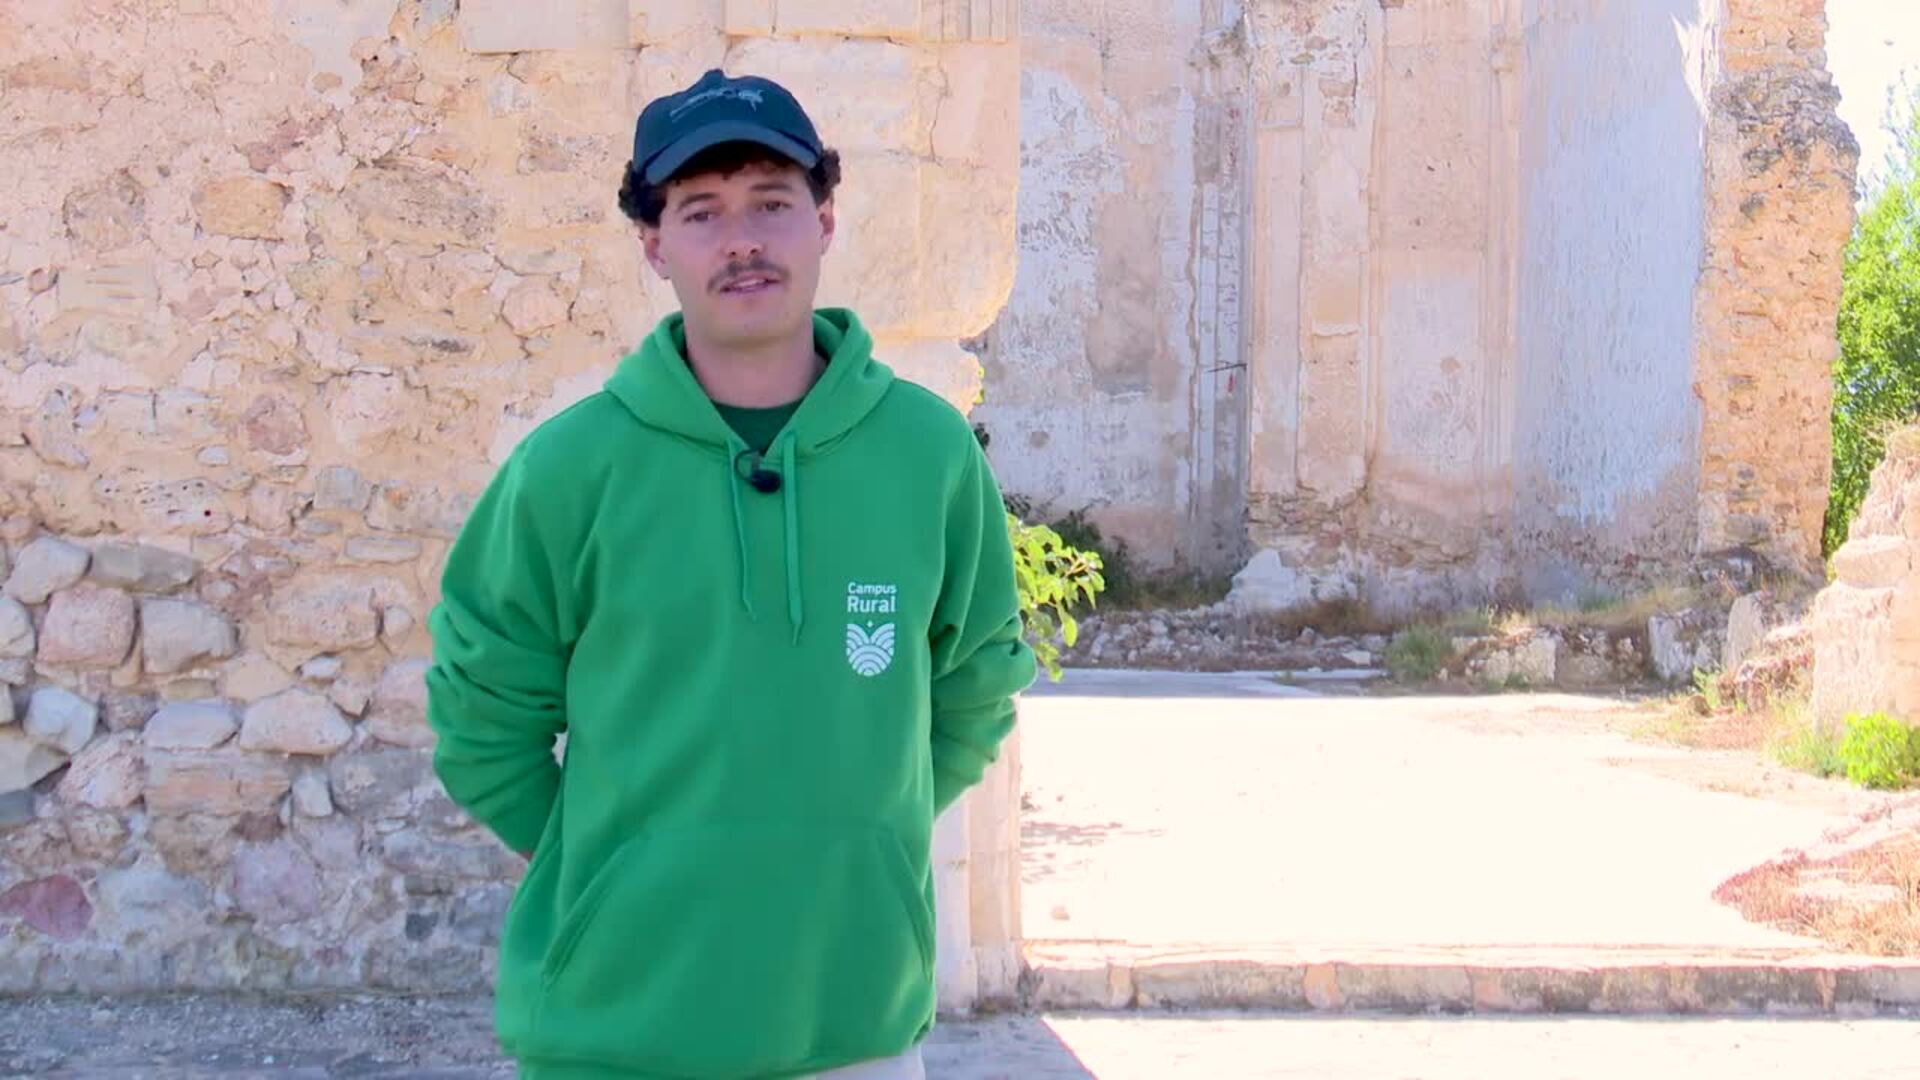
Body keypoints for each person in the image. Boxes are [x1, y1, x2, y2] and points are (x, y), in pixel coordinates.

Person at [424, 67, 1037, 1080]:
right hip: (614, 1038)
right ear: (653, 243)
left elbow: (975, 687)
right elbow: (480, 715)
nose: (742, 239)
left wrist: (855, 845)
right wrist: (605, 870)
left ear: (825, 220)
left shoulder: (927, 454)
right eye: (701, 211)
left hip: (852, 1031)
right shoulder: (568, 469)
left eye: (771, 202)